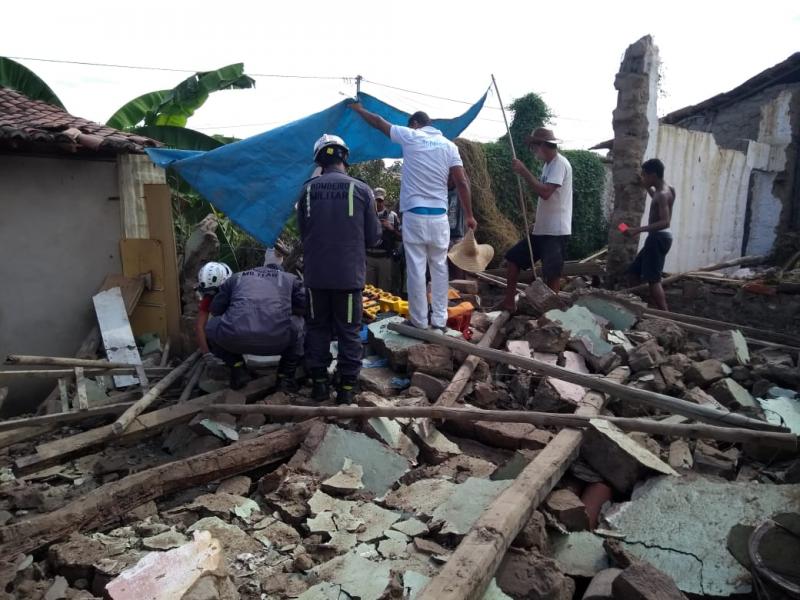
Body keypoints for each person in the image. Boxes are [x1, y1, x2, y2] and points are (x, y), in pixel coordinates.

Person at [350, 102, 476, 332]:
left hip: (415, 216)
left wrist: (358, 109)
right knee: (439, 267)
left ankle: (419, 321)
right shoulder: (450, 146)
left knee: (416, 268)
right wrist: (469, 215)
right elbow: (462, 181)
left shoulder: (411, 136)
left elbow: (379, 122)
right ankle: (439, 321)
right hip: (439, 217)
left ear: (415, 124)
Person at [297, 134, 381, 403]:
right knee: (349, 331)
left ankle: (320, 385)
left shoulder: (307, 191)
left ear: (319, 160)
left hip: (316, 277)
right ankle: (346, 389)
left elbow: (303, 233)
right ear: (345, 157)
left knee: (317, 328)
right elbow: (373, 238)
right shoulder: (362, 190)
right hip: (348, 277)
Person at [201, 253, 306, 391]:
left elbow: (215, 310)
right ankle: (285, 379)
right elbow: (306, 306)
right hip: (278, 338)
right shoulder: (289, 278)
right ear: (280, 271)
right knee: (299, 324)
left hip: (235, 338)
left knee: (212, 326)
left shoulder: (237, 277)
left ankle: (238, 370)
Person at [499, 127, 573, 311]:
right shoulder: (549, 165)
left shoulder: (559, 164)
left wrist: (524, 172)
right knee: (513, 259)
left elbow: (546, 193)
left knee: (552, 273)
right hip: (543, 229)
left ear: (542, 145)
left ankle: (552, 314)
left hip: (556, 231)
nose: (533, 151)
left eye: (533, 146)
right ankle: (509, 303)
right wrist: (537, 221)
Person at [624, 158, 675, 311]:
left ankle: (665, 314)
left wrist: (637, 229)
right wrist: (647, 188)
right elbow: (658, 202)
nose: (643, 178)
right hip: (659, 238)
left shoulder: (662, 194)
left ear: (653, 175)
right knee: (633, 272)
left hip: (657, 239)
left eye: (644, 175)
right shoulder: (668, 189)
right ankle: (639, 305)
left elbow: (665, 222)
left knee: (654, 280)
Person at [366, 187, 402, 293]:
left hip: (385, 259)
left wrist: (391, 229)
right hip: (369, 258)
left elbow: (401, 237)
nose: (378, 203)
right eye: (376, 200)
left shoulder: (392, 216)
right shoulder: (367, 215)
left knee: (384, 291)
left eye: (380, 200)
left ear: (384, 200)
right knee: (368, 291)